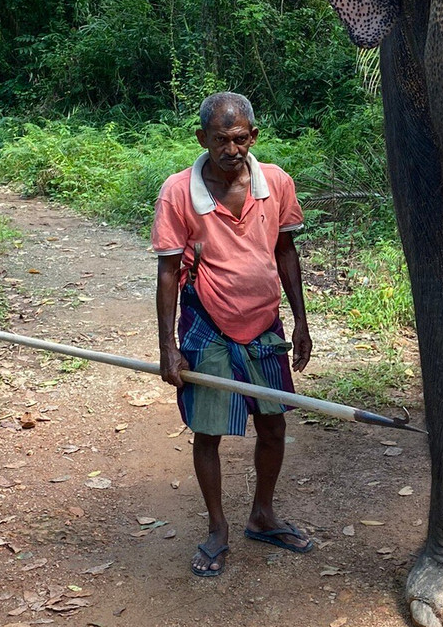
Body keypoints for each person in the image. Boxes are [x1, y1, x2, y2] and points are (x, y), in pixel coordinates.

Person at [152, 91, 314, 577]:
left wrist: (302, 320)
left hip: (264, 320)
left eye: (240, 139)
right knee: (207, 430)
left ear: (253, 137)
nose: (231, 149)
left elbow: (286, 251)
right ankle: (217, 528)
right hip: (207, 320)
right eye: (220, 139)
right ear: (202, 138)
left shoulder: (277, 183)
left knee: (273, 424)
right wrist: (168, 347)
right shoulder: (178, 192)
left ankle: (262, 514)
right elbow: (166, 275)